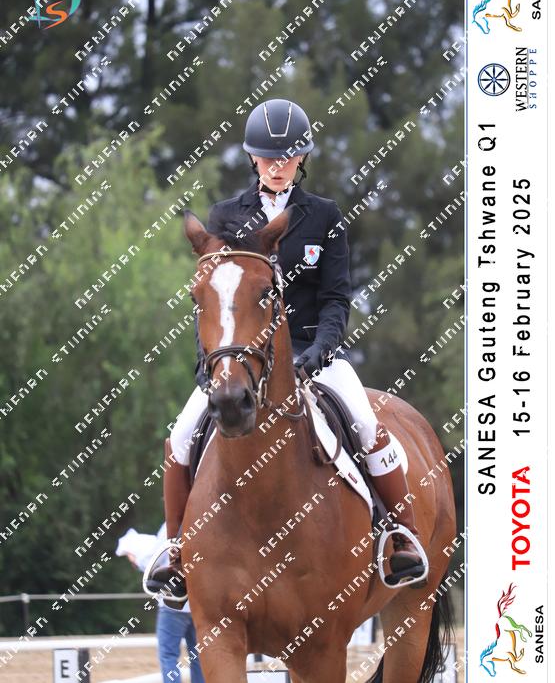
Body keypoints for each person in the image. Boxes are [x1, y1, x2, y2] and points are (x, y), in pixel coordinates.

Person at [146, 98, 425, 597]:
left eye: (288, 157)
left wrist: (322, 348)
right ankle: (176, 551)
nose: (278, 166)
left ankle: (401, 536)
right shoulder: (226, 215)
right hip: (241, 356)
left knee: (366, 425)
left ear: (302, 159)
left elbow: (336, 297)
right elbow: (215, 296)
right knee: (181, 435)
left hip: (312, 352)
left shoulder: (324, 216)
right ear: (253, 158)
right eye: (268, 157)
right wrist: (208, 361)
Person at [116, 524, 205, 683]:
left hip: (173, 603)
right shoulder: (203, 524)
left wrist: (136, 559)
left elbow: (154, 560)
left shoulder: (170, 525)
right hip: (198, 602)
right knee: (197, 656)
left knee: (168, 655)